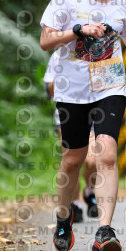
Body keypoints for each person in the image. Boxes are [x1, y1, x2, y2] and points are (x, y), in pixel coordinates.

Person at [39, 0, 126, 251]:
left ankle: (105, 230)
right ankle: (64, 217)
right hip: (72, 88)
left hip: (109, 85)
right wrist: (78, 30)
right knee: (73, 160)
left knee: (107, 155)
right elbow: (46, 41)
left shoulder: (123, 3)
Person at [42, 54, 99, 223]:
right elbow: (49, 91)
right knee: (73, 163)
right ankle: (75, 204)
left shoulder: (98, 50)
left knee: (92, 162)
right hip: (66, 115)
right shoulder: (59, 55)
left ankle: (89, 191)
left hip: (94, 113)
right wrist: (65, 75)